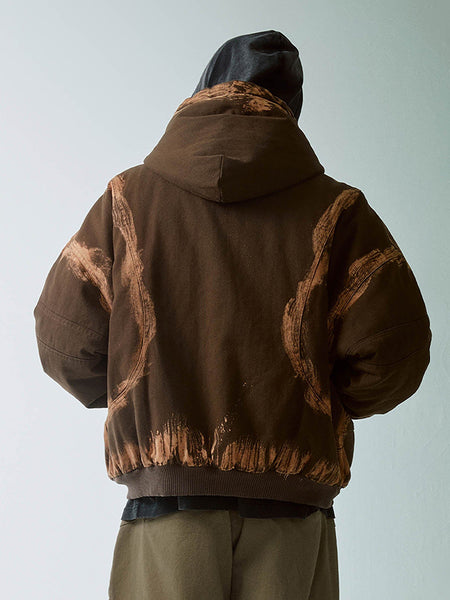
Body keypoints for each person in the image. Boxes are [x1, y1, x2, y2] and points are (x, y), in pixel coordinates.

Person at [33, 29, 432, 600]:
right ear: (289, 110)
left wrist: (140, 391)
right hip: (291, 519)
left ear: (202, 91)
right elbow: (395, 351)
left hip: (165, 515)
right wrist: (318, 401)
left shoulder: (127, 199)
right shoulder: (340, 211)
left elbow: (64, 341)